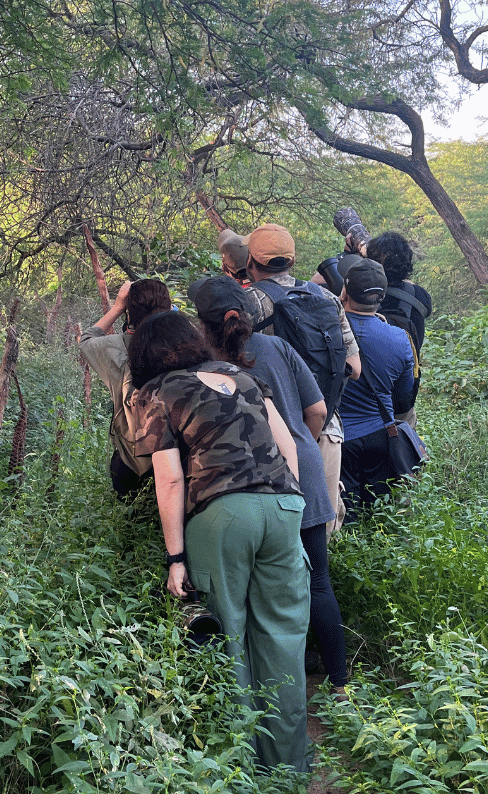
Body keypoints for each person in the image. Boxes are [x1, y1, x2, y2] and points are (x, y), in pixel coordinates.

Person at [127, 310, 311, 772]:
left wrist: (175, 557)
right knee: (283, 637)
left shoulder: (158, 392)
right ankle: (288, 768)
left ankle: (239, 769)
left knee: (226, 636)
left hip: (223, 514)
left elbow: (168, 480)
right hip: (284, 506)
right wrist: (289, 505)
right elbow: (287, 444)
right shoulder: (241, 376)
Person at [190, 275, 350, 694]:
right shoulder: (277, 347)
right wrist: (301, 443)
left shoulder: (199, 364)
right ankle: (339, 685)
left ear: (201, 322)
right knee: (317, 582)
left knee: (253, 592)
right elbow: (316, 409)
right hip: (304, 471)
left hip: (244, 486)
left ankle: (261, 690)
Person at [223, 222, 360, 534]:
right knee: (318, 537)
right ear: (293, 261)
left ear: (249, 262)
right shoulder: (327, 299)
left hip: (265, 434)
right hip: (325, 427)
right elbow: (354, 366)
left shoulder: (246, 303)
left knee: (274, 540)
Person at [76, 278, 172, 499]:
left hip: (133, 458)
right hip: (180, 457)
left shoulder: (115, 347)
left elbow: (87, 339)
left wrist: (118, 306)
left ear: (130, 316)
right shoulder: (188, 344)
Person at [337, 258, 418, 517]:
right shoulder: (400, 338)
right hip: (380, 434)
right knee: (379, 517)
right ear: (381, 297)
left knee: (344, 516)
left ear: (345, 291)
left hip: (338, 439)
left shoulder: (325, 331)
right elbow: (404, 399)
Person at [364, 230, 430, 429]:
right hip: (404, 399)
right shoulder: (419, 296)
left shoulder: (360, 295)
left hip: (364, 400)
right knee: (403, 453)